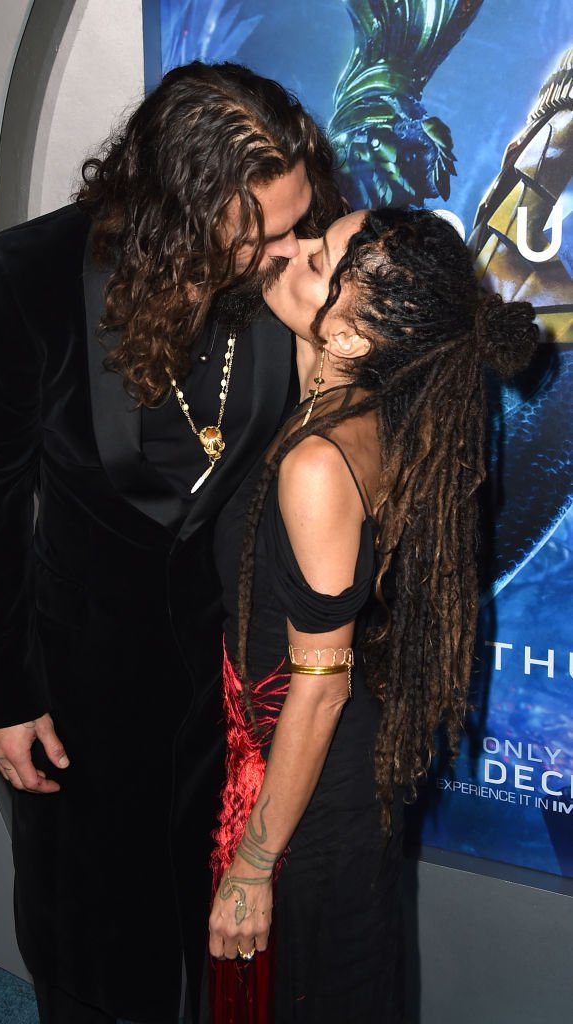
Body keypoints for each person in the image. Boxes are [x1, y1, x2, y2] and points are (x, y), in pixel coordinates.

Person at [0, 62, 345, 1024]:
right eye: (263, 231)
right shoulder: (33, 275)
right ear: (180, 208)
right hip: (80, 677)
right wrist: (5, 690)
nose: (292, 249)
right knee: (87, 941)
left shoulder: (286, 281)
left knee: (212, 936)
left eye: (301, 220)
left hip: (229, 679)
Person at [208, 207, 538, 1022]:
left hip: (307, 786)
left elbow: (318, 689)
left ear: (351, 339)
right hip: (316, 765)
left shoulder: (321, 463)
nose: (289, 250)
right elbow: (311, 337)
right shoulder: (367, 402)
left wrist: (253, 864)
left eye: (316, 257)